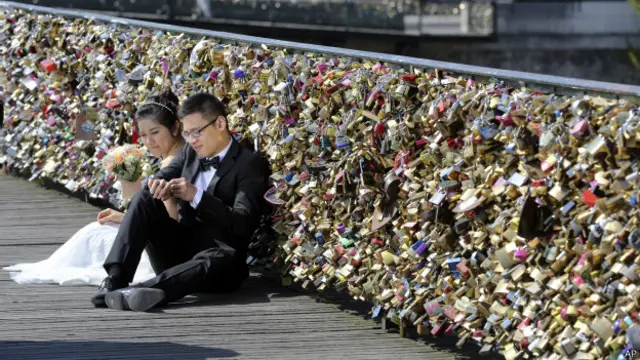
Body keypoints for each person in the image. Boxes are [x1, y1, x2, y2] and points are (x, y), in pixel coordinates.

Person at [91, 92, 269, 312]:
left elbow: (243, 223)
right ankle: (116, 280)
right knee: (145, 196)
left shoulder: (248, 163)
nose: (192, 140)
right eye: (187, 134)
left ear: (220, 123)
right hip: (177, 252)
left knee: (221, 256)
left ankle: (143, 291)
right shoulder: (190, 152)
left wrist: (197, 195)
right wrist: (158, 184)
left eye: (196, 132)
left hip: (218, 264)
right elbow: (164, 174)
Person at [3, 91, 185, 286]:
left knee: (96, 233)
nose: (149, 142)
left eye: (155, 133)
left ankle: (116, 275)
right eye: (144, 135)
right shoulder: (178, 154)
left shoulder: (170, 164)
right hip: (167, 235)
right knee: (98, 230)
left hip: (167, 246)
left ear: (174, 127)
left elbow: (170, 220)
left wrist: (126, 218)